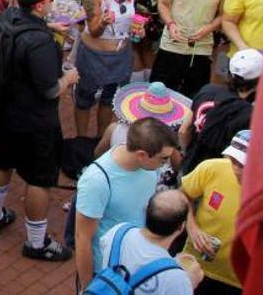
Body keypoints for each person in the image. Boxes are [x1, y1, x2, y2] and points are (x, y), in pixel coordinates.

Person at [0, 0, 78, 261]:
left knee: (2, 163)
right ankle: (36, 243)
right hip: (35, 122)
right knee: (40, 179)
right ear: (40, 4)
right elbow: (50, 90)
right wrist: (68, 78)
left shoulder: (7, 17)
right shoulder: (40, 43)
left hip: (2, 112)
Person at [74, 117, 180, 285]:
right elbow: (83, 239)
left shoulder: (149, 167)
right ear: (142, 155)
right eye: (163, 158)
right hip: (104, 274)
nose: (165, 164)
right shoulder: (97, 181)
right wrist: (88, 288)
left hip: (135, 267)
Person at [74, 0, 137, 138]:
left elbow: (128, 22)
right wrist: (102, 22)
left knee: (109, 99)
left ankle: (101, 140)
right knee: (84, 99)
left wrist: (137, 30)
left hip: (120, 55)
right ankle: (82, 140)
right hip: (94, 56)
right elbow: (93, 30)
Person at [181, 129, 250, 295]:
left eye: (242, 165)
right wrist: (192, 228)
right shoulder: (211, 168)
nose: (236, 169)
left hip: (239, 280)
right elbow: (183, 195)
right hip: (194, 266)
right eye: (233, 160)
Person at [94, 190, 202, 295]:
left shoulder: (118, 231)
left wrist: (172, 264)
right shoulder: (176, 279)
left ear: (146, 211)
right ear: (181, 227)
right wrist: (189, 282)